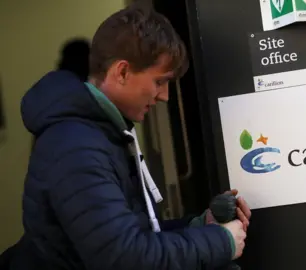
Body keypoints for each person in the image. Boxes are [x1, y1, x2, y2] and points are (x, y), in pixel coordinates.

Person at [7, 4, 251, 270]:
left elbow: (133, 236)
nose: (164, 96)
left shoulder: (100, 134)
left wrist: (201, 227)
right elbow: (124, 258)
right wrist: (219, 242)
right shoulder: (75, 148)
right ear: (122, 72)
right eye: (159, 81)